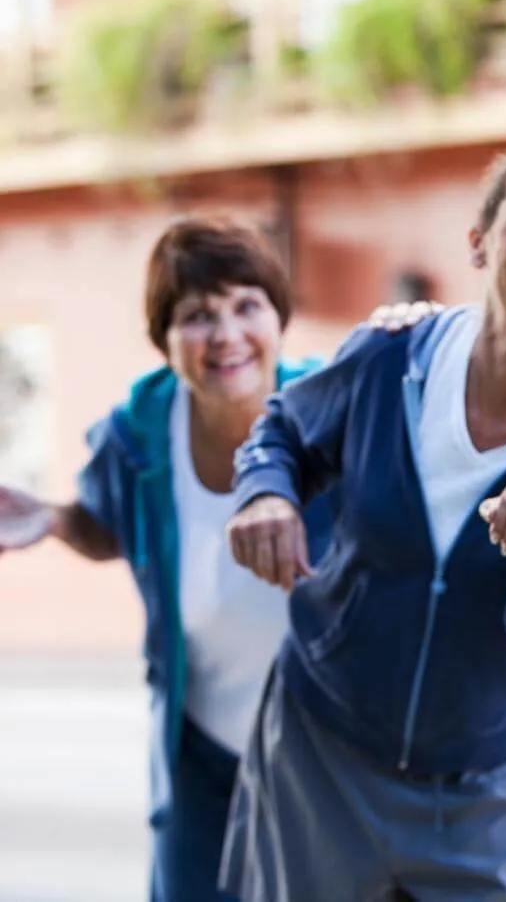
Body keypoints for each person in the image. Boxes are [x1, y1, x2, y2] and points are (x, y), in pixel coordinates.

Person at [219, 136, 506, 902]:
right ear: (480, 242)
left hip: (485, 791)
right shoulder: (392, 355)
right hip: (321, 758)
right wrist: (266, 492)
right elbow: (284, 430)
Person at [0, 216, 423, 902]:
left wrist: (417, 338)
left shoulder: (338, 409)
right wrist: (50, 520)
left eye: (246, 306)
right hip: (203, 757)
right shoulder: (138, 435)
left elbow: (433, 444)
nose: (226, 334)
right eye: (197, 315)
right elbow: (107, 524)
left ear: (278, 319)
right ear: (164, 341)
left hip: (332, 757)